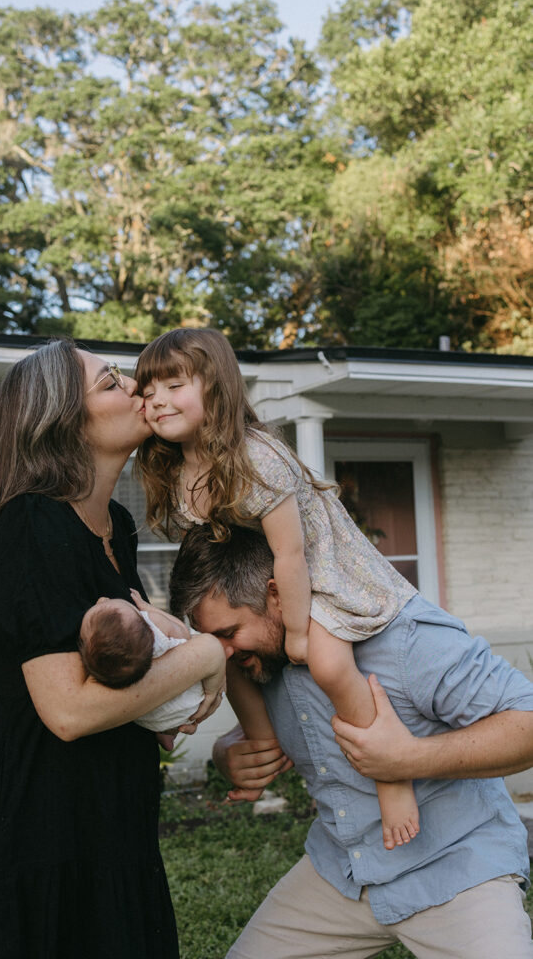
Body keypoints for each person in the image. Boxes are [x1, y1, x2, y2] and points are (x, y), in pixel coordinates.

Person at [0, 339, 226, 959]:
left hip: (103, 825)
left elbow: (115, 669)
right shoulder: (31, 524)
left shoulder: (117, 525)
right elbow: (70, 711)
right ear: (62, 422)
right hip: (27, 834)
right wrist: (204, 654)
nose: (140, 390)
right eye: (112, 382)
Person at [169, 524, 533, 959]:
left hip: (457, 867)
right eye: (212, 641)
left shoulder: (406, 639)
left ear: (276, 595)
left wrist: (410, 759)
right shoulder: (262, 657)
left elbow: (526, 722)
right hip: (343, 870)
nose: (222, 654)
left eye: (229, 633)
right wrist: (227, 749)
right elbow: (280, 726)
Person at [135, 327, 419, 850]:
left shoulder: (255, 457)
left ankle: (392, 777)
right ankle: (262, 741)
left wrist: (295, 632)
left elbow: (290, 555)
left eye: (173, 386)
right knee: (224, 656)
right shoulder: (178, 471)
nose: (157, 402)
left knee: (331, 665)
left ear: (215, 387)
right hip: (261, 585)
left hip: (322, 576)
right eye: (147, 393)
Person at [79, 589, 204, 739]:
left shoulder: (113, 669)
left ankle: (166, 735)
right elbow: (183, 631)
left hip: (151, 721)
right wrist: (147, 607)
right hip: (191, 702)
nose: (102, 599)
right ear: (141, 619)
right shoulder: (154, 623)